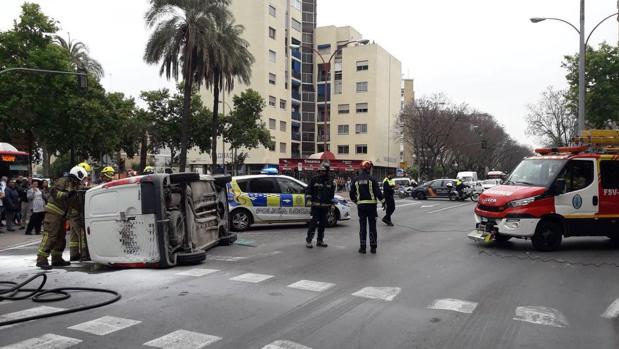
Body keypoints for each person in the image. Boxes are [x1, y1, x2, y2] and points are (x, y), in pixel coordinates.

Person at [36, 166, 87, 270]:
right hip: (53, 214)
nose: (83, 180)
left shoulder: (74, 186)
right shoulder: (63, 181)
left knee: (60, 238)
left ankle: (57, 259)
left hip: (62, 216)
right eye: (83, 178)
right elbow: (54, 193)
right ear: (78, 175)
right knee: (50, 236)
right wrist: (67, 194)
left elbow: (74, 203)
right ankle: (41, 259)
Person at [350, 161, 384, 254]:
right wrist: (384, 202)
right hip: (372, 207)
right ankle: (373, 248)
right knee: (372, 227)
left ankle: (363, 248)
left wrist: (357, 202)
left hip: (361, 207)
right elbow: (378, 192)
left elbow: (351, 194)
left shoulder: (356, 180)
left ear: (361, 168)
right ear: (369, 169)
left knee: (362, 227)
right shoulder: (372, 179)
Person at [305, 161, 335, 248]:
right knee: (313, 224)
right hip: (316, 207)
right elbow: (308, 190)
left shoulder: (330, 182)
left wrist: (332, 204)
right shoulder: (314, 179)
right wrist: (309, 199)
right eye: (320, 171)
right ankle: (309, 241)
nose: (321, 172)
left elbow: (331, 195)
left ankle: (320, 240)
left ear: (327, 172)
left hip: (325, 207)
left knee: (322, 225)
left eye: (323, 171)